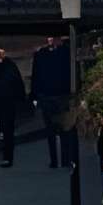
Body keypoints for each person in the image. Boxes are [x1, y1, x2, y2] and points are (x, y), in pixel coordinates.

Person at [31, 32, 76, 167]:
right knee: (63, 129)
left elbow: (36, 76)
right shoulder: (65, 54)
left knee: (53, 129)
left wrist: (35, 95)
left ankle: (56, 160)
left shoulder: (41, 55)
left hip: (50, 95)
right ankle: (63, 159)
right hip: (60, 95)